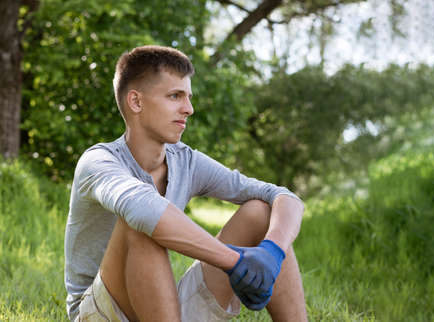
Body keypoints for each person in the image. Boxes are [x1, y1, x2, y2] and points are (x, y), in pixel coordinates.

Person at [64, 45, 308, 322]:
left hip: (160, 309)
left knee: (260, 212)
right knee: (141, 225)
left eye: (188, 97)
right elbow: (144, 210)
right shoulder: (98, 162)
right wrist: (236, 263)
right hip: (100, 313)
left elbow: (282, 196)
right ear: (136, 102)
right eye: (174, 96)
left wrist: (271, 253)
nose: (189, 109)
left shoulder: (187, 161)